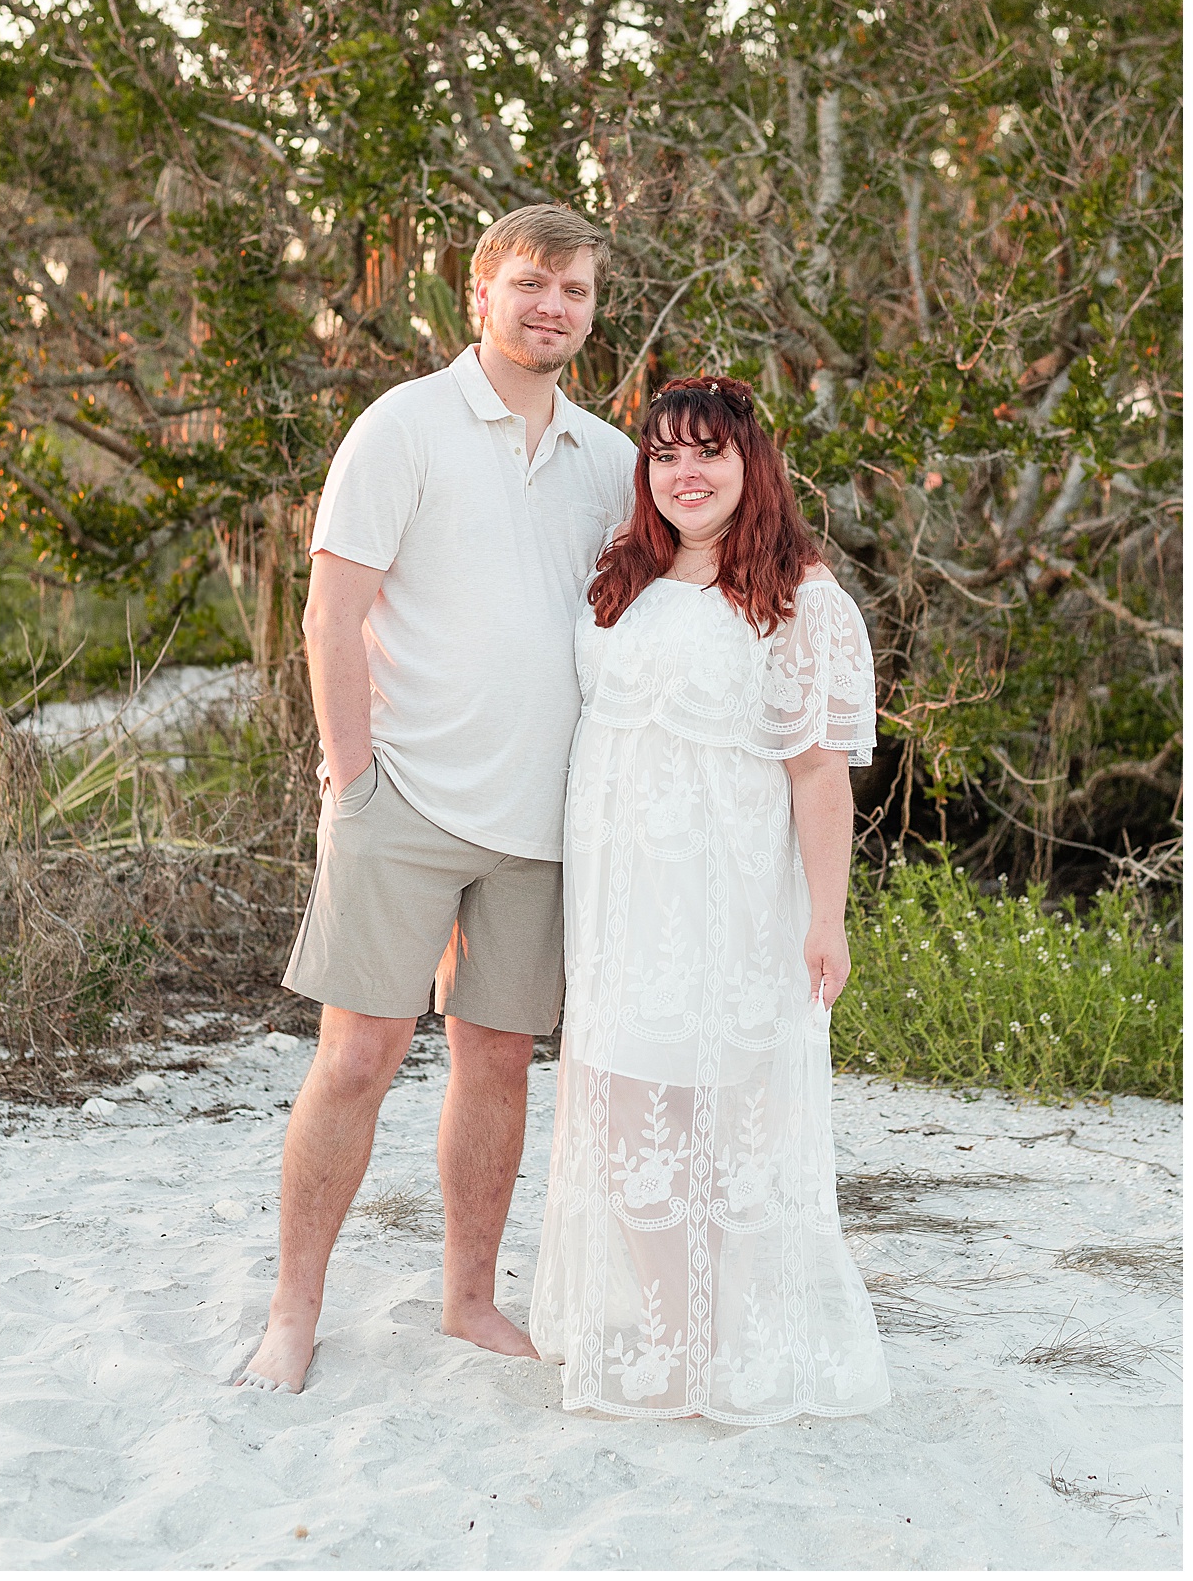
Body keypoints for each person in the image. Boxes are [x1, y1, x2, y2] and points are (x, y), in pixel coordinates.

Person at [240, 204, 638, 1392]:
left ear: (592, 310)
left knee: (500, 1061)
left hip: (544, 818)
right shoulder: (401, 426)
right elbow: (330, 612)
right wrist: (352, 777)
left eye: (573, 291)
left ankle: (469, 1298)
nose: (551, 307)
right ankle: (292, 1312)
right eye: (531, 284)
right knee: (358, 1057)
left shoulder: (613, 459)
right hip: (403, 795)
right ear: (479, 291)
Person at [529, 375, 890, 1421]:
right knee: (634, 1110)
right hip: (620, 899)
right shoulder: (620, 573)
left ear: (751, 467)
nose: (685, 473)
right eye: (665, 454)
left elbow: (820, 776)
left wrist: (828, 916)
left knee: (727, 1122)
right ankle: (672, 1333)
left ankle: (729, 1335)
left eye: (709, 454)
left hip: (727, 897)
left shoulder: (798, 598)